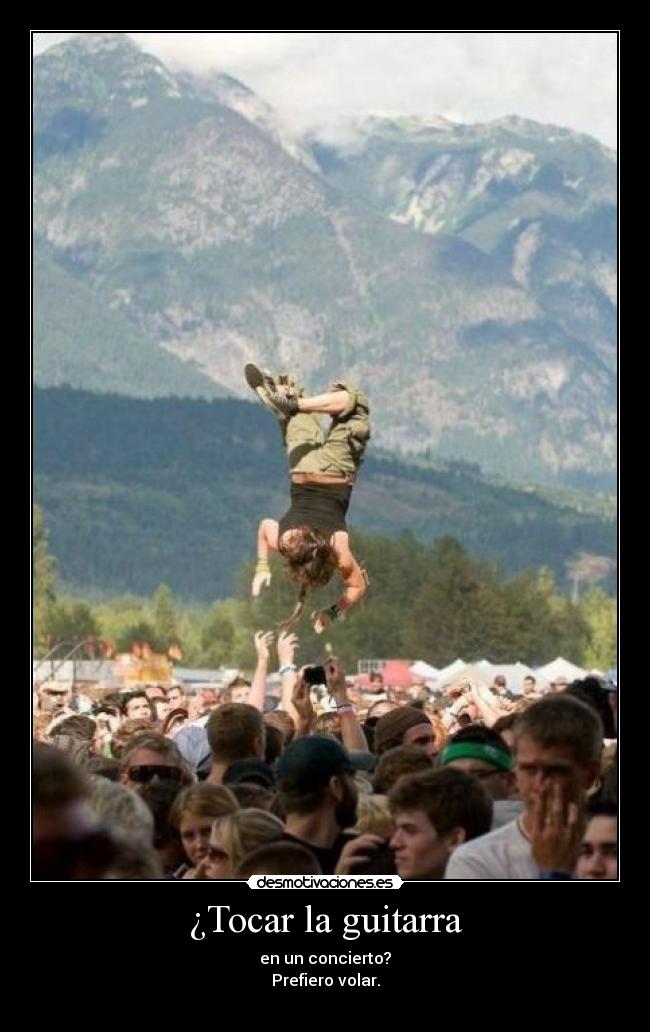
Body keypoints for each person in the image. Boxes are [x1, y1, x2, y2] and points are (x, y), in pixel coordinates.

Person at [244, 363, 370, 633]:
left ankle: (293, 405)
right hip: (303, 467)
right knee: (294, 402)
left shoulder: (339, 552)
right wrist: (262, 566)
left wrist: (333, 612)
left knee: (356, 405)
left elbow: (358, 586)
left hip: (337, 471)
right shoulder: (287, 541)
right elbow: (264, 528)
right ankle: (293, 405)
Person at [445, 695, 603, 880]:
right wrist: (554, 874)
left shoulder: (607, 855)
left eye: (555, 771)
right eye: (529, 769)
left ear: (590, 774)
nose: (539, 784)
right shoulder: (476, 860)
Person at [275, 735, 359, 873]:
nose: (356, 788)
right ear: (336, 786)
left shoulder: (262, 860)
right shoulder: (270, 868)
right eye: (352, 777)